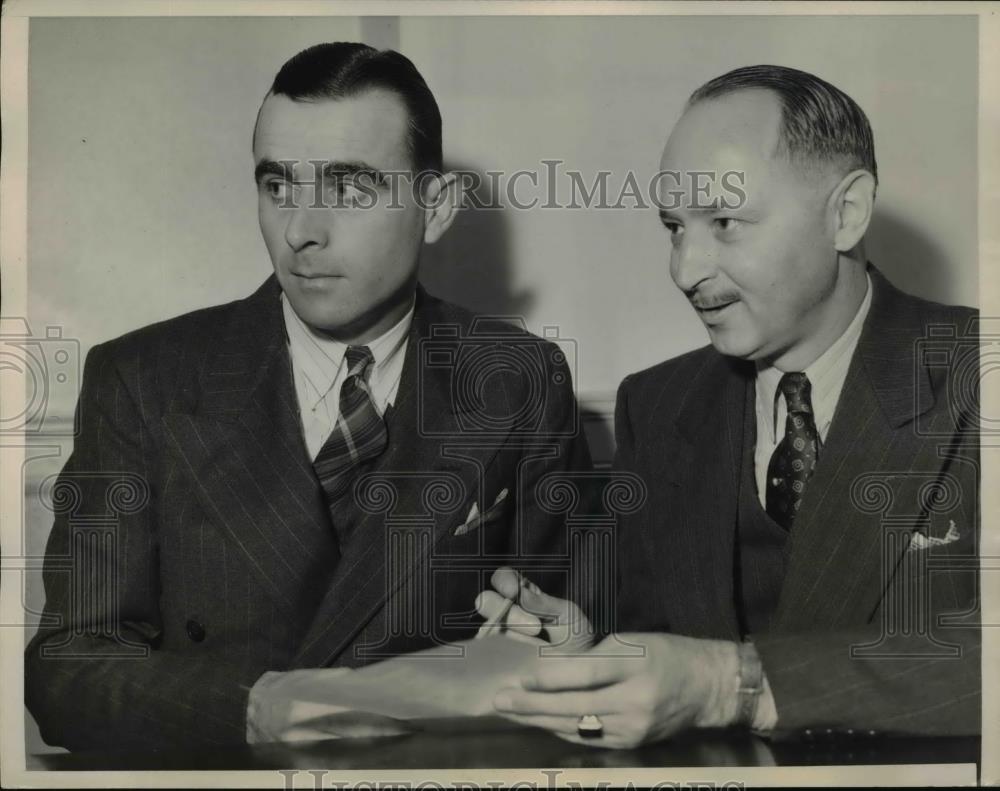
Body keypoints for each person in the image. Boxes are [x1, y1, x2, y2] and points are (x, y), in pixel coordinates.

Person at [25, 42, 591, 751]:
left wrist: (557, 642)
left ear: (437, 208)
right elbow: (66, 666)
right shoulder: (143, 381)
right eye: (278, 186)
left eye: (349, 187)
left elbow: (572, 625)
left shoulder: (521, 380)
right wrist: (256, 708)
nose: (300, 231)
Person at [478, 65, 980, 748]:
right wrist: (589, 649)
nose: (686, 269)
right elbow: (658, 640)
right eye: (674, 228)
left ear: (847, 213)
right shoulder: (656, 406)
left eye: (724, 221)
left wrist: (734, 682)